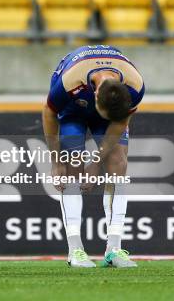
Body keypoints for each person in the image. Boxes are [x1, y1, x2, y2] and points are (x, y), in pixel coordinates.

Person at [42, 45, 145, 268]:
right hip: (73, 110)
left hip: (107, 109)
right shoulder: (70, 82)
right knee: (73, 166)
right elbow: (49, 113)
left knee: (118, 162)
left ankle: (114, 248)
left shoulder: (135, 86)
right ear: (96, 94)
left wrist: (97, 163)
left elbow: (119, 123)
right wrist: (55, 160)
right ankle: (75, 249)